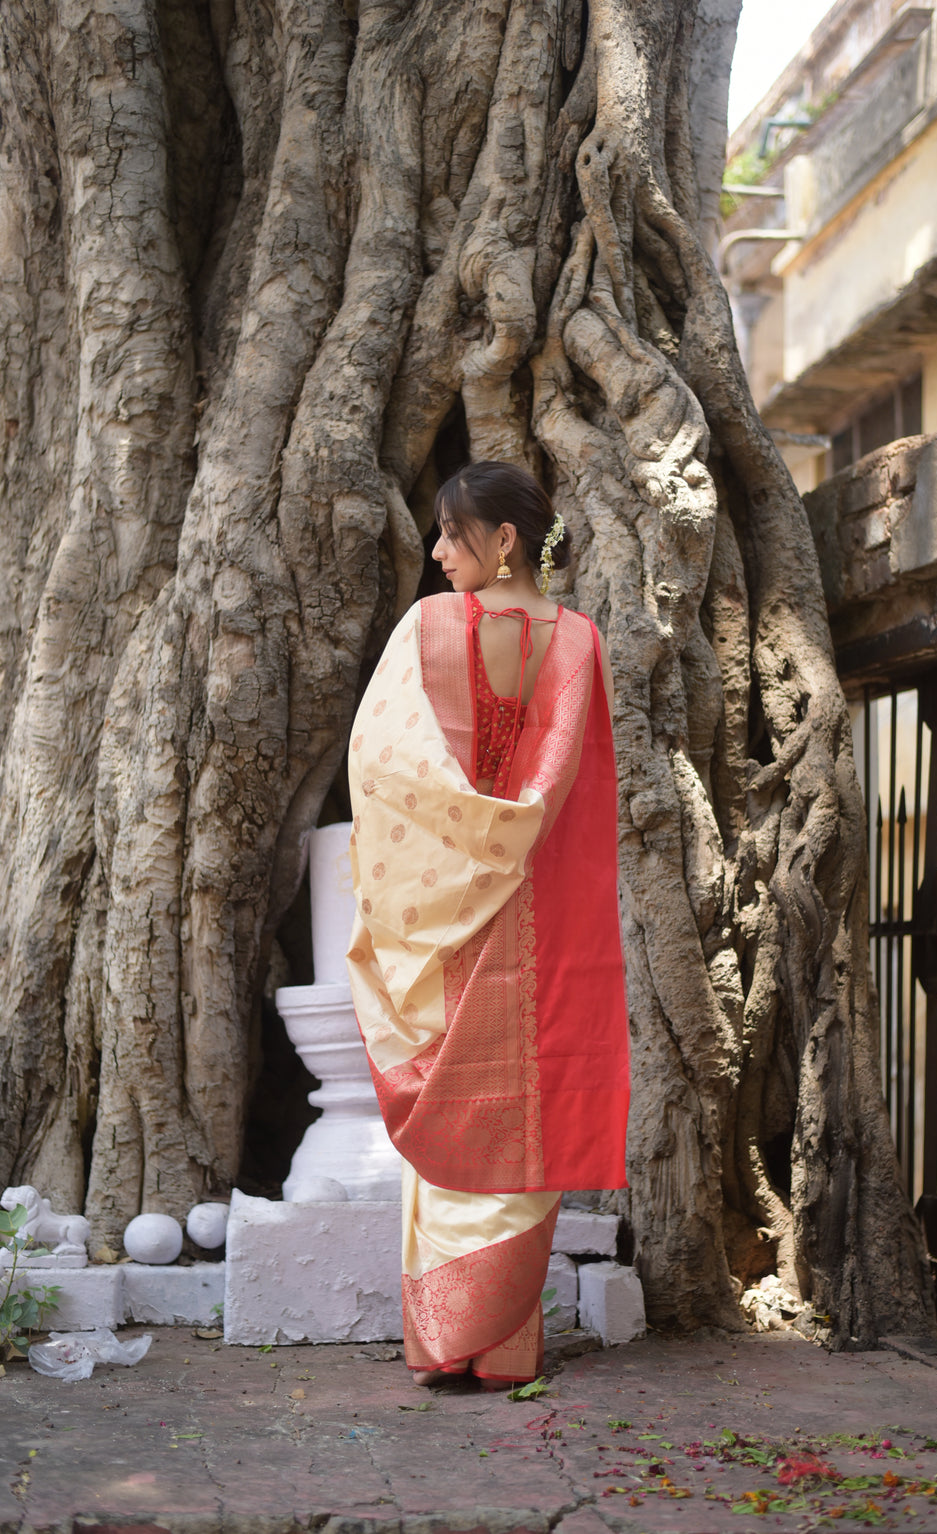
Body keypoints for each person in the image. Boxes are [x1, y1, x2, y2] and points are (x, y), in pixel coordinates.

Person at [346, 461, 630, 1389]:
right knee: (531, 1116)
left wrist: (465, 840)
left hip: (450, 912)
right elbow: (563, 782)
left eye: (449, 535)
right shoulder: (579, 640)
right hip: (548, 913)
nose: (435, 554)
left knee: (459, 1113)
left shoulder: (425, 631)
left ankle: (445, 1342)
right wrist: (516, 824)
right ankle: (506, 1346)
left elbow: (384, 771)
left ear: (503, 539)